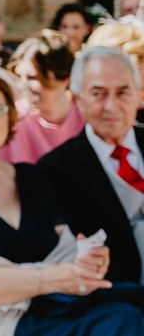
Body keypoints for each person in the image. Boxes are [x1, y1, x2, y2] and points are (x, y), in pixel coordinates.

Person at [0, 70, 143, 334]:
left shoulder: (30, 177)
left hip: (58, 308)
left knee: (127, 310)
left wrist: (88, 262)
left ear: (9, 115)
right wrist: (50, 278)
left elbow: (67, 250)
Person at [39, 46, 144, 285]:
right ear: (78, 100)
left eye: (122, 92)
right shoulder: (55, 170)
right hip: (122, 300)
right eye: (98, 93)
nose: (111, 106)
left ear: (138, 95)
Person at [0, 30, 82, 165]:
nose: (22, 86)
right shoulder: (12, 119)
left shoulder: (86, 115)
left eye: (32, 78)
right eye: (19, 77)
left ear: (65, 78)